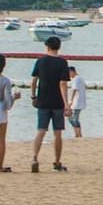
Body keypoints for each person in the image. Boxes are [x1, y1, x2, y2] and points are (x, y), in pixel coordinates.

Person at [27, 34, 74, 174]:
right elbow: (63, 83)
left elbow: (34, 80)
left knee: (41, 130)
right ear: (59, 47)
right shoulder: (62, 63)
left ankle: (35, 158)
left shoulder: (40, 62)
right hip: (57, 102)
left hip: (42, 100)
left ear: (47, 46)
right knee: (57, 133)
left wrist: (33, 96)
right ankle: (57, 162)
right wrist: (66, 104)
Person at [67, 67, 88, 138]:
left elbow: (74, 90)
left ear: (72, 71)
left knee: (74, 118)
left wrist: (70, 101)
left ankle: (79, 134)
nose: (68, 75)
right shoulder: (80, 78)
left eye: (68, 73)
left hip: (77, 101)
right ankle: (77, 133)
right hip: (79, 101)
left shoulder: (76, 79)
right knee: (71, 118)